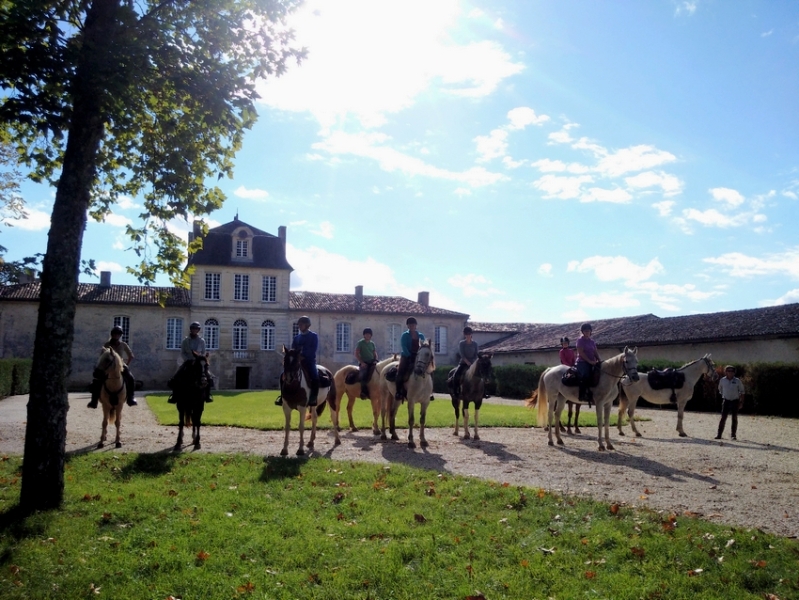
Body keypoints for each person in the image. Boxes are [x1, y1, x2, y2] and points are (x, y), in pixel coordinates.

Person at [88, 325, 137, 408]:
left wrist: (126, 365)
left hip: (120, 366)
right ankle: (94, 400)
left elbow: (131, 356)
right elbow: (102, 356)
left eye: (118, 334)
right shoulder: (107, 344)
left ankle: (130, 398)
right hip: (109, 366)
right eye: (115, 334)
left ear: (120, 335)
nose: (116, 335)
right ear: (112, 334)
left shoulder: (123, 344)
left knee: (130, 378)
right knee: (97, 380)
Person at [178, 321, 212, 402]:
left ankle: (207, 396)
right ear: (191, 329)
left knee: (209, 377)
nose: (194, 330)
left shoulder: (201, 341)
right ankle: (175, 395)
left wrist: (201, 358)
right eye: (193, 329)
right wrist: (187, 360)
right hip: (188, 362)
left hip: (199, 362)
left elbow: (203, 352)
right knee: (177, 375)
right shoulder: (185, 341)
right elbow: (182, 352)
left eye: (196, 329)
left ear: (198, 330)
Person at [292, 316, 320, 406]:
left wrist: (303, 356)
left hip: (309, 361)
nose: (299, 326)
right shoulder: (296, 338)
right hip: (297, 362)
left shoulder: (313, 336)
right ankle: (283, 396)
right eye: (299, 325)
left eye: (301, 324)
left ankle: (313, 397)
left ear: (307, 325)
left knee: (315, 376)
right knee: (284, 374)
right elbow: (293, 349)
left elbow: (313, 349)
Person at [395, 317, 425, 401]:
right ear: (408, 326)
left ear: (416, 325)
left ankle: (429, 392)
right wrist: (409, 355)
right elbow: (404, 346)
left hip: (418, 357)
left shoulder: (421, 336)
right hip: (406, 356)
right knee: (400, 371)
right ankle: (398, 392)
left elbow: (423, 346)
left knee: (428, 371)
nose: (412, 326)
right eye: (410, 325)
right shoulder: (405, 335)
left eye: (413, 324)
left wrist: (419, 356)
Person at [716, 365, 745, 440]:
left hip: (735, 401)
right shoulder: (722, 380)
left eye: (732, 371)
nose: (730, 373)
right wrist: (724, 395)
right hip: (726, 401)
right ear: (725, 372)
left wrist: (741, 402)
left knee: (734, 418)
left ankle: (733, 435)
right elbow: (720, 389)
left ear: (734, 373)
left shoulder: (737, 381)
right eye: (728, 371)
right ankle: (719, 434)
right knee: (723, 418)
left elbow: (742, 391)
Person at [452, 326, 478, 401]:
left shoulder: (475, 344)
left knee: (481, 375)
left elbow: (476, 354)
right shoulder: (462, 343)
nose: (468, 335)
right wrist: (467, 362)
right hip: (463, 363)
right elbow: (462, 355)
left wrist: (473, 363)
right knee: (456, 375)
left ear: (471, 334)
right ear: (464, 335)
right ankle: (456, 392)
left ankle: (483, 392)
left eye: (469, 334)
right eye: (466, 334)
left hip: (473, 364)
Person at [575, 323, 600, 402]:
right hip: (582, 362)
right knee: (585, 376)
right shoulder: (580, 341)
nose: (587, 332)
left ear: (590, 332)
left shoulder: (592, 341)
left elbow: (595, 351)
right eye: (585, 331)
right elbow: (581, 353)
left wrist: (599, 360)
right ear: (583, 332)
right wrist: (589, 361)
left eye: (588, 331)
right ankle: (582, 394)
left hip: (592, 362)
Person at [355, 328, 378, 399]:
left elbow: (375, 353)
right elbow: (356, 353)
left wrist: (376, 360)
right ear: (364, 335)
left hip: (372, 362)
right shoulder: (360, 343)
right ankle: (363, 392)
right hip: (364, 363)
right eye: (366, 334)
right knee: (363, 375)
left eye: (369, 334)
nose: (368, 335)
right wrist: (362, 362)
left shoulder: (372, 343)